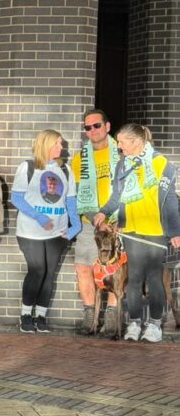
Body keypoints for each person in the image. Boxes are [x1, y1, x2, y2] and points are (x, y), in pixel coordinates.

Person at [93, 124, 180, 343]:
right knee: (134, 278)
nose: (119, 146)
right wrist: (103, 212)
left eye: (122, 142)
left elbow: (170, 199)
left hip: (154, 230)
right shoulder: (123, 164)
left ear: (137, 142)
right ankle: (134, 322)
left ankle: (155, 325)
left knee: (154, 277)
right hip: (130, 229)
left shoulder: (161, 163)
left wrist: (174, 231)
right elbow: (116, 195)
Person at [11, 129, 80, 334]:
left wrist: (75, 226)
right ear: (45, 144)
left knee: (49, 273)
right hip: (30, 231)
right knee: (38, 270)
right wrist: (40, 217)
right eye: (57, 143)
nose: (61, 147)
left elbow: (70, 201)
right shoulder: (28, 167)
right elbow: (16, 198)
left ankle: (40, 316)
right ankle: (25, 315)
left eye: (61, 143)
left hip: (57, 233)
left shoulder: (65, 170)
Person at [71, 109, 120, 334]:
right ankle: (89, 315)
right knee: (83, 268)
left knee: (114, 268)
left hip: (117, 221)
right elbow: (79, 194)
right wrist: (97, 220)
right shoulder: (79, 158)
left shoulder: (122, 153)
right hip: (89, 222)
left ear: (107, 126)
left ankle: (111, 315)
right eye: (87, 127)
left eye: (96, 125)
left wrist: (115, 219)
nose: (92, 130)